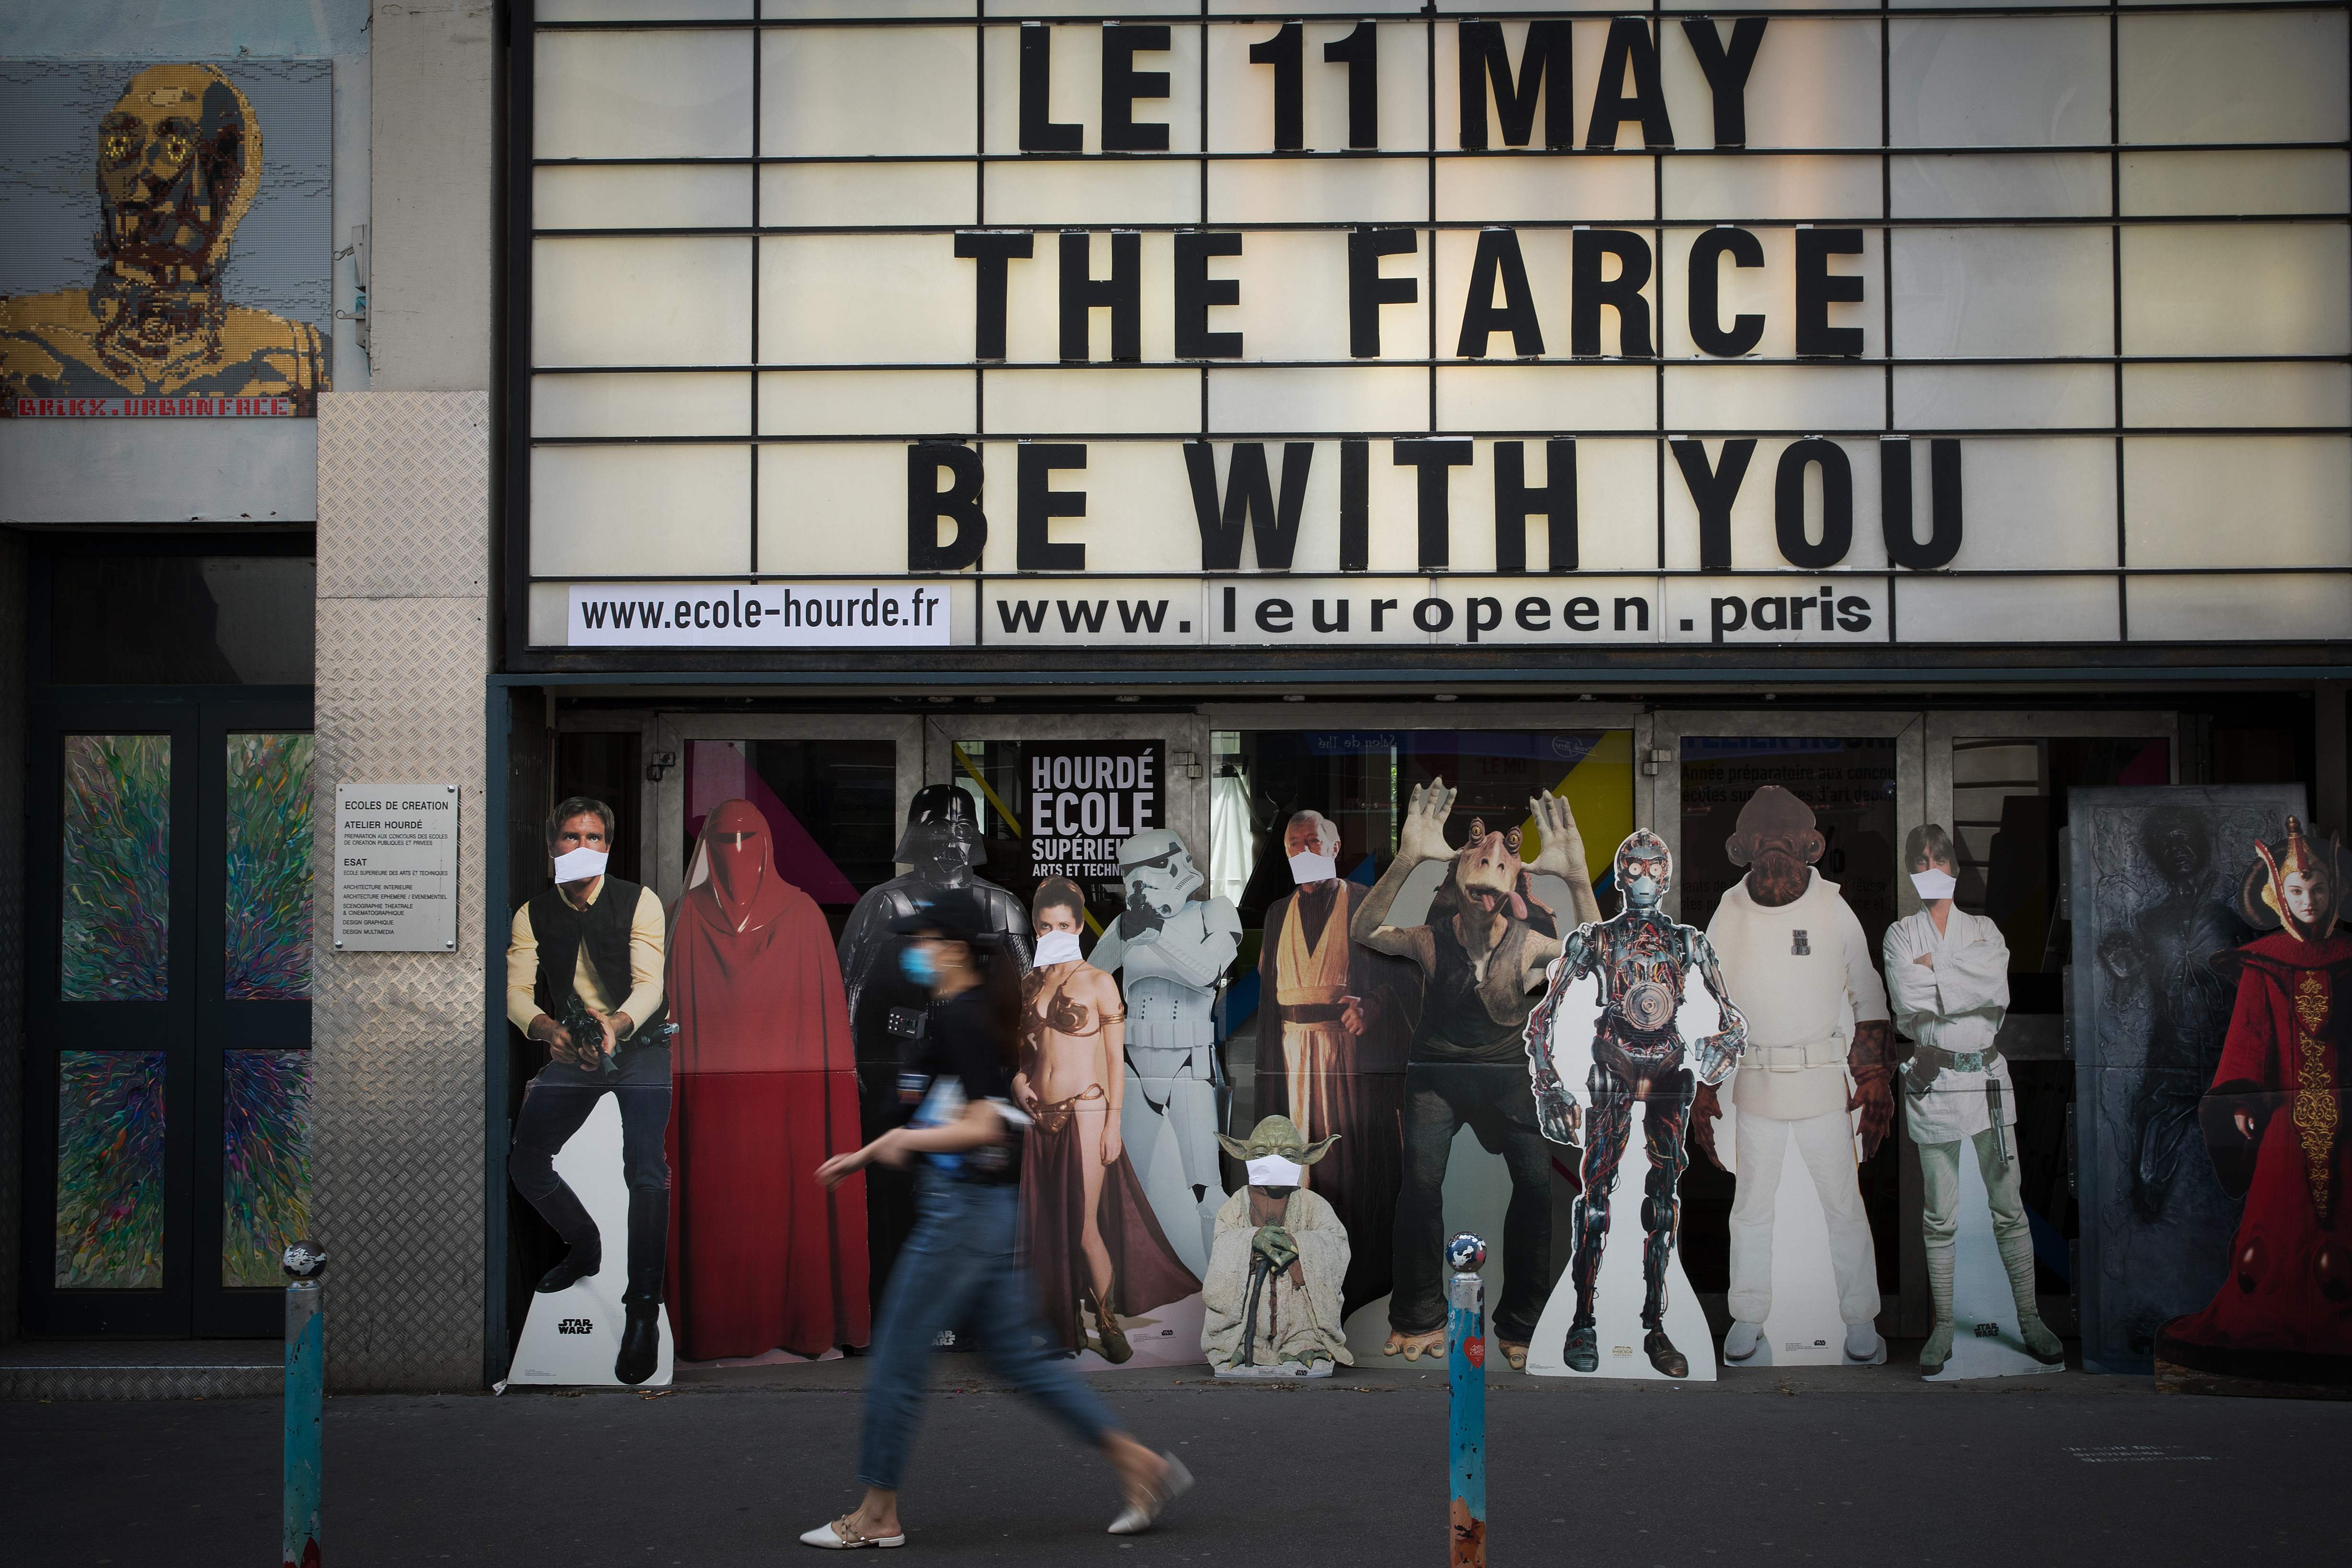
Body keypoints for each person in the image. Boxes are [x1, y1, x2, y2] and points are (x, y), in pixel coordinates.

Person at [805, 889, 1192, 1548]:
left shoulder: (960, 1016)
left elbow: (981, 1124)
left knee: (897, 1354)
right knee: (1019, 1359)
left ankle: (875, 1516)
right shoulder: (961, 1012)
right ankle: (1142, 1465)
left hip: (959, 1216)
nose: (915, 953)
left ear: (953, 949)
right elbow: (988, 1109)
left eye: (923, 941)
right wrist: (882, 1145)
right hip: (980, 1209)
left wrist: (890, 1146)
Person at [1351, 779, 1600, 1368]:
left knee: (1538, 1188)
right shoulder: (1430, 940)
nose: (1486, 883)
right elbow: (1364, 929)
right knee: (1420, 1187)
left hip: (1510, 1076)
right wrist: (1408, 858)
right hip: (1435, 1074)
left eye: (1500, 869)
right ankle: (1417, 1315)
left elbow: (1593, 955)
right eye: (1477, 864)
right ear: (1458, 881)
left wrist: (1578, 877)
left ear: (1513, 885)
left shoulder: (1532, 943)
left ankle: (1523, 1320)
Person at [1526, 829, 1747, 1378]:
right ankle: (1583, 1321)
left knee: (1664, 1204)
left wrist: (1725, 1041)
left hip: (1669, 1067)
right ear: (1621, 876)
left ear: (1666, 876)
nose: (1643, 878)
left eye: (1653, 868)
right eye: (1634, 867)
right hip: (1614, 1065)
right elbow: (1540, 1021)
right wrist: (1549, 1085)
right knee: (1596, 1201)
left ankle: (1653, 1325)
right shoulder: (1594, 940)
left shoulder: (1689, 942)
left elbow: (1733, 1018)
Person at [1695, 784, 1895, 1366]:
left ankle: (1860, 1318)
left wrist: (1874, 1075)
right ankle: (1748, 1315)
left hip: (1823, 1087)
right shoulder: (1729, 911)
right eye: (1764, 834)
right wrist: (1706, 1087)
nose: (1776, 844)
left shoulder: (1833, 906)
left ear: (1812, 845)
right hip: (1756, 1086)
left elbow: (1868, 994)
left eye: (1788, 834)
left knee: (1843, 1205)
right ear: (1744, 847)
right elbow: (1707, 1003)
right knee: (1752, 1207)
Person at [664, 799, 868, 1362]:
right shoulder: (681, 917)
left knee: (786, 1205)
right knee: (715, 1211)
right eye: (723, 842)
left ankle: (796, 1321)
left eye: (747, 838)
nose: (735, 853)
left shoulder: (802, 917)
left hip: (789, 1103)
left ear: (768, 844)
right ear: (707, 849)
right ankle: (712, 1323)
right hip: (709, 1103)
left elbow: (826, 1023)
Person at [0, 64, 329, 409]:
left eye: (174, 145)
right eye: (121, 143)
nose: (142, 170)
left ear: (228, 183)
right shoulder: (18, 337)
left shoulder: (296, 358)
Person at [2159, 816, 2352, 1383]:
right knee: (2278, 1226)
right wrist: (2240, 1096)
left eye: (2317, 888)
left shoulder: (2349, 957)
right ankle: (2278, 1326)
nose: (2309, 899)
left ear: (2334, 889)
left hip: (2348, 1124)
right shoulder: (2264, 963)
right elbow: (2249, 1036)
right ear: (2277, 896)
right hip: (2285, 1126)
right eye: (2297, 890)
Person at [835, 786, 1032, 1303]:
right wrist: (852, 1062)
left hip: (978, 1073)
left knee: (966, 1180)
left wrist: (1027, 1064)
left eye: (962, 830)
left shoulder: (1000, 905)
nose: (950, 843)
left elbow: (1027, 992)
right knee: (901, 1195)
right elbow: (850, 989)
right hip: (902, 1063)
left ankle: (963, 1304)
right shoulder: (885, 902)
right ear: (916, 838)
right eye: (938, 831)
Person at [1883, 824, 2064, 1375]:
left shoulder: (1984, 928)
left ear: (1955, 867)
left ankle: (2030, 1317)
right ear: (1914, 869)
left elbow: (1996, 989)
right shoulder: (1900, 936)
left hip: (1985, 1078)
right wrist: (1957, 980)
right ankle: (1942, 1327)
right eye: (1921, 858)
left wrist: (1938, 972)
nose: (1931, 865)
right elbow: (1907, 1002)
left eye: (1940, 857)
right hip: (1935, 1078)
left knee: (2008, 1207)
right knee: (1941, 1214)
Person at [505, 796, 671, 1386]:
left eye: (594, 837)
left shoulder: (639, 900)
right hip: (572, 1046)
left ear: (609, 845)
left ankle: (642, 1308)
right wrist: (549, 1031)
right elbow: (517, 992)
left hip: (639, 1040)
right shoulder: (532, 913)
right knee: (527, 1160)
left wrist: (616, 1026)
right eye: (571, 837)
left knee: (647, 1168)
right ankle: (585, 1245)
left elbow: (651, 985)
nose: (582, 847)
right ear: (553, 845)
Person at [1014, 878, 1200, 1363]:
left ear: (1078, 927)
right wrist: (1018, 1079)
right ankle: (1061, 1321)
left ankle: (1106, 1317)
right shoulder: (1031, 982)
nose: (1054, 932)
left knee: (1082, 1224)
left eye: (1064, 925)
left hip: (1087, 1111)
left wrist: (1113, 1123)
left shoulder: (1099, 981)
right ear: (1036, 928)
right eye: (1045, 925)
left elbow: (1117, 1061)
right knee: (1046, 1222)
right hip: (1040, 1115)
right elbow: (1024, 1053)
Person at [1252, 809, 1417, 1319]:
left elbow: (1411, 978)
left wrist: (1375, 1006)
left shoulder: (1368, 905)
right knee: (1296, 1174)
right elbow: (1267, 999)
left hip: (1349, 1065)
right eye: (1294, 845)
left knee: (1349, 1173)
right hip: (1290, 1060)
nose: (1304, 851)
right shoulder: (1277, 914)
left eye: (1313, 841)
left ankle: (1356, 1288)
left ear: (1336, 845)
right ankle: (1298, 1291)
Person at [1085, 829, 1242, 1255]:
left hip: (1190, 1065)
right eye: (1132, 874)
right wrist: (1126, 932)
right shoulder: (1128, 923)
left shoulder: (1215, 912)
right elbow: (1089, 979)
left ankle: (1218, 1294)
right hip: (1134, 1066)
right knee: (1131, 1187)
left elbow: (1209, 972)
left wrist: (1156, 931)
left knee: (1205, 1189)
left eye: (1149, 868)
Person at [1202, 1115, 1354, 1377]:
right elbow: (1222, 1248)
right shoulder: (1234, 1208)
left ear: (1308, 1157)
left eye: (1288, 1155)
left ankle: (1303, 1343)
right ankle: (1242, 1344)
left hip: (1298, 1307)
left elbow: (1336, 1244)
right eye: (1261, 1153)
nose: (1275, 1162)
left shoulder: (1313, 1205)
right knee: (1243, 1322)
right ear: (1243, 1154)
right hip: (1249, 1307)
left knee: (1302, 1322)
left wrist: (1299, 1244)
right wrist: (1250, 1241)